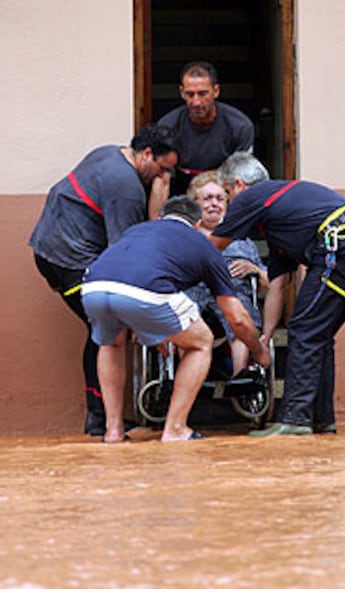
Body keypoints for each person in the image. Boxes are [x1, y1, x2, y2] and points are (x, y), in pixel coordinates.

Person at [210, 152, 345, 436]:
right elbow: (279, 284)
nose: (230, 201)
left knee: (305, 329)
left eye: (227, 193)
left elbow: (213, 247)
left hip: (341, 243)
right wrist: (266, 336)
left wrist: (178, 265)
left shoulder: (251, 197)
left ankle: (295, 418)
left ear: (239, 184)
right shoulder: (281, 217)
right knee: (318, 333)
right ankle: (321, 419)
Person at [29, 124, 181, 436]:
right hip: (69, 260)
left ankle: (99, 417)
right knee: (110, 331)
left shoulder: (109, 152)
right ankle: (99, 419)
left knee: (104, 329)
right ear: (147, 154)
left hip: (50, 251)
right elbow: (128, 254)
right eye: (162, 170)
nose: (163, 178)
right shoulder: (125, 186)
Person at [80, 195, 270, 443]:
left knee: (111, 344)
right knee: (201, 341)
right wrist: (258, 351)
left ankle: (113, 431)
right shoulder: (203, 245)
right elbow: (237, 318)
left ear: (161, 217)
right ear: (197, 224)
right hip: (145, 291)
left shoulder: (138, 230)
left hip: (93, 286)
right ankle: (176, 428)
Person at [186, 171, 269, 375]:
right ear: (195, 204)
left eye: (219, 198)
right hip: (193, 293)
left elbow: (268, 282)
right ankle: (184, 377)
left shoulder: (242, 240)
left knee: (241, 313)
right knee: (182, 313)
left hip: (233, 293)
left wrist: (256, 270)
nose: (214, 203)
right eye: (207, 199)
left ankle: (240, 378)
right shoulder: (184, 236)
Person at [148, 61, 254, 220]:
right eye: (190, 94)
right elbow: (162, 179)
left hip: (222, 194)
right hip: (181, 194)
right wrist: (156, 227)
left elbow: (241, 181)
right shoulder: (168, 125)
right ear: (182, 93)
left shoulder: (239, 126)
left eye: (203, 94)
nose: (196, 102)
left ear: (216, 91)